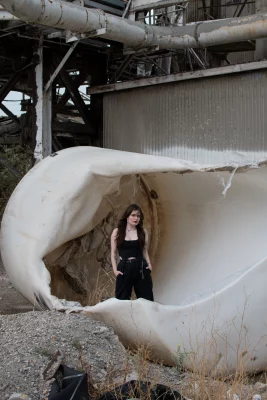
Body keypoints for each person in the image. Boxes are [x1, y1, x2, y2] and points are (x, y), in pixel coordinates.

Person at [111, 204, 154, 301]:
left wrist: (149, 265)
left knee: (146, 299)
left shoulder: (143, 232)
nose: (136, 218)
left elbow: (144, 250)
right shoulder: (117, 232)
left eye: (138, 216)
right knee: (122, 299)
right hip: (124, 268)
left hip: (141, 267)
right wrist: (115, 270)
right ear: (127, 216)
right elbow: (113, 254)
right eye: (133, 215)